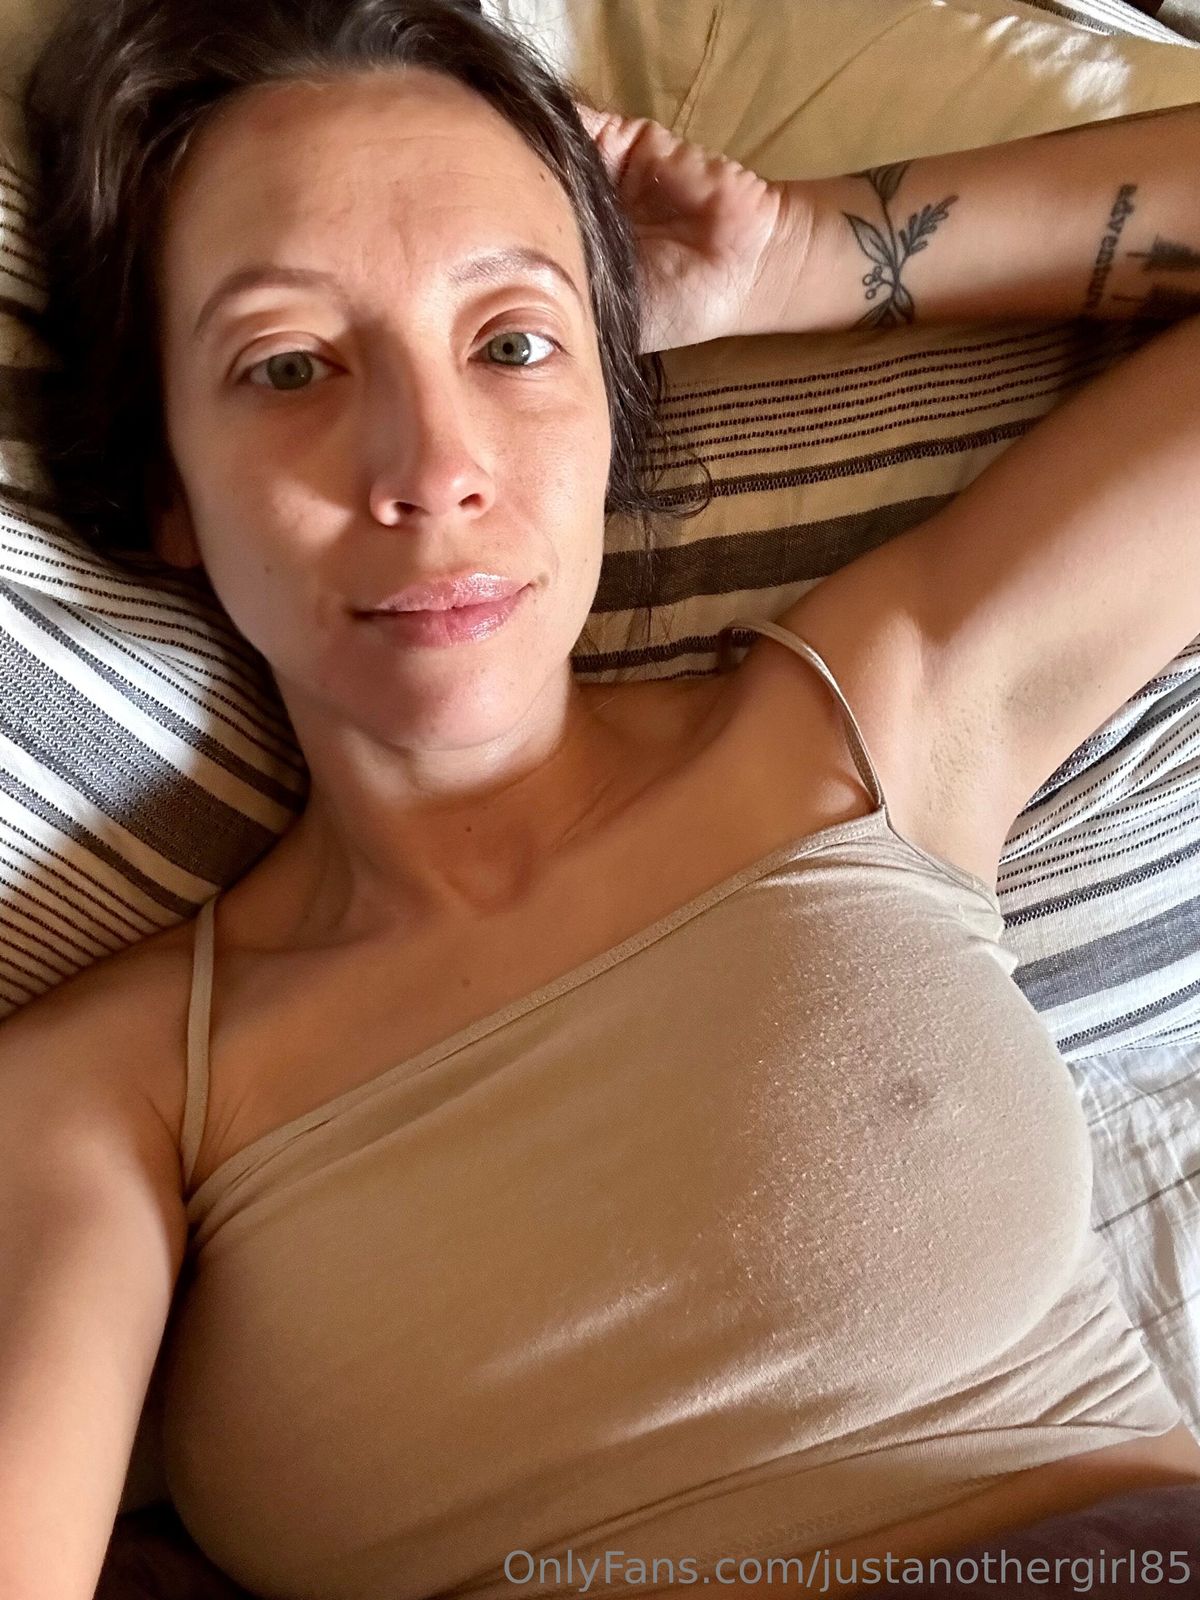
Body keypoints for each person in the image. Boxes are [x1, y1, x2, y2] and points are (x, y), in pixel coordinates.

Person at [4, 0, 1200, 1595]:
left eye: (513, 343)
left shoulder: (861, 740)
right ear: (165, 481)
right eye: (289, 367)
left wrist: (803, 259)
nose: (432, 467)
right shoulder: (117, 1084)